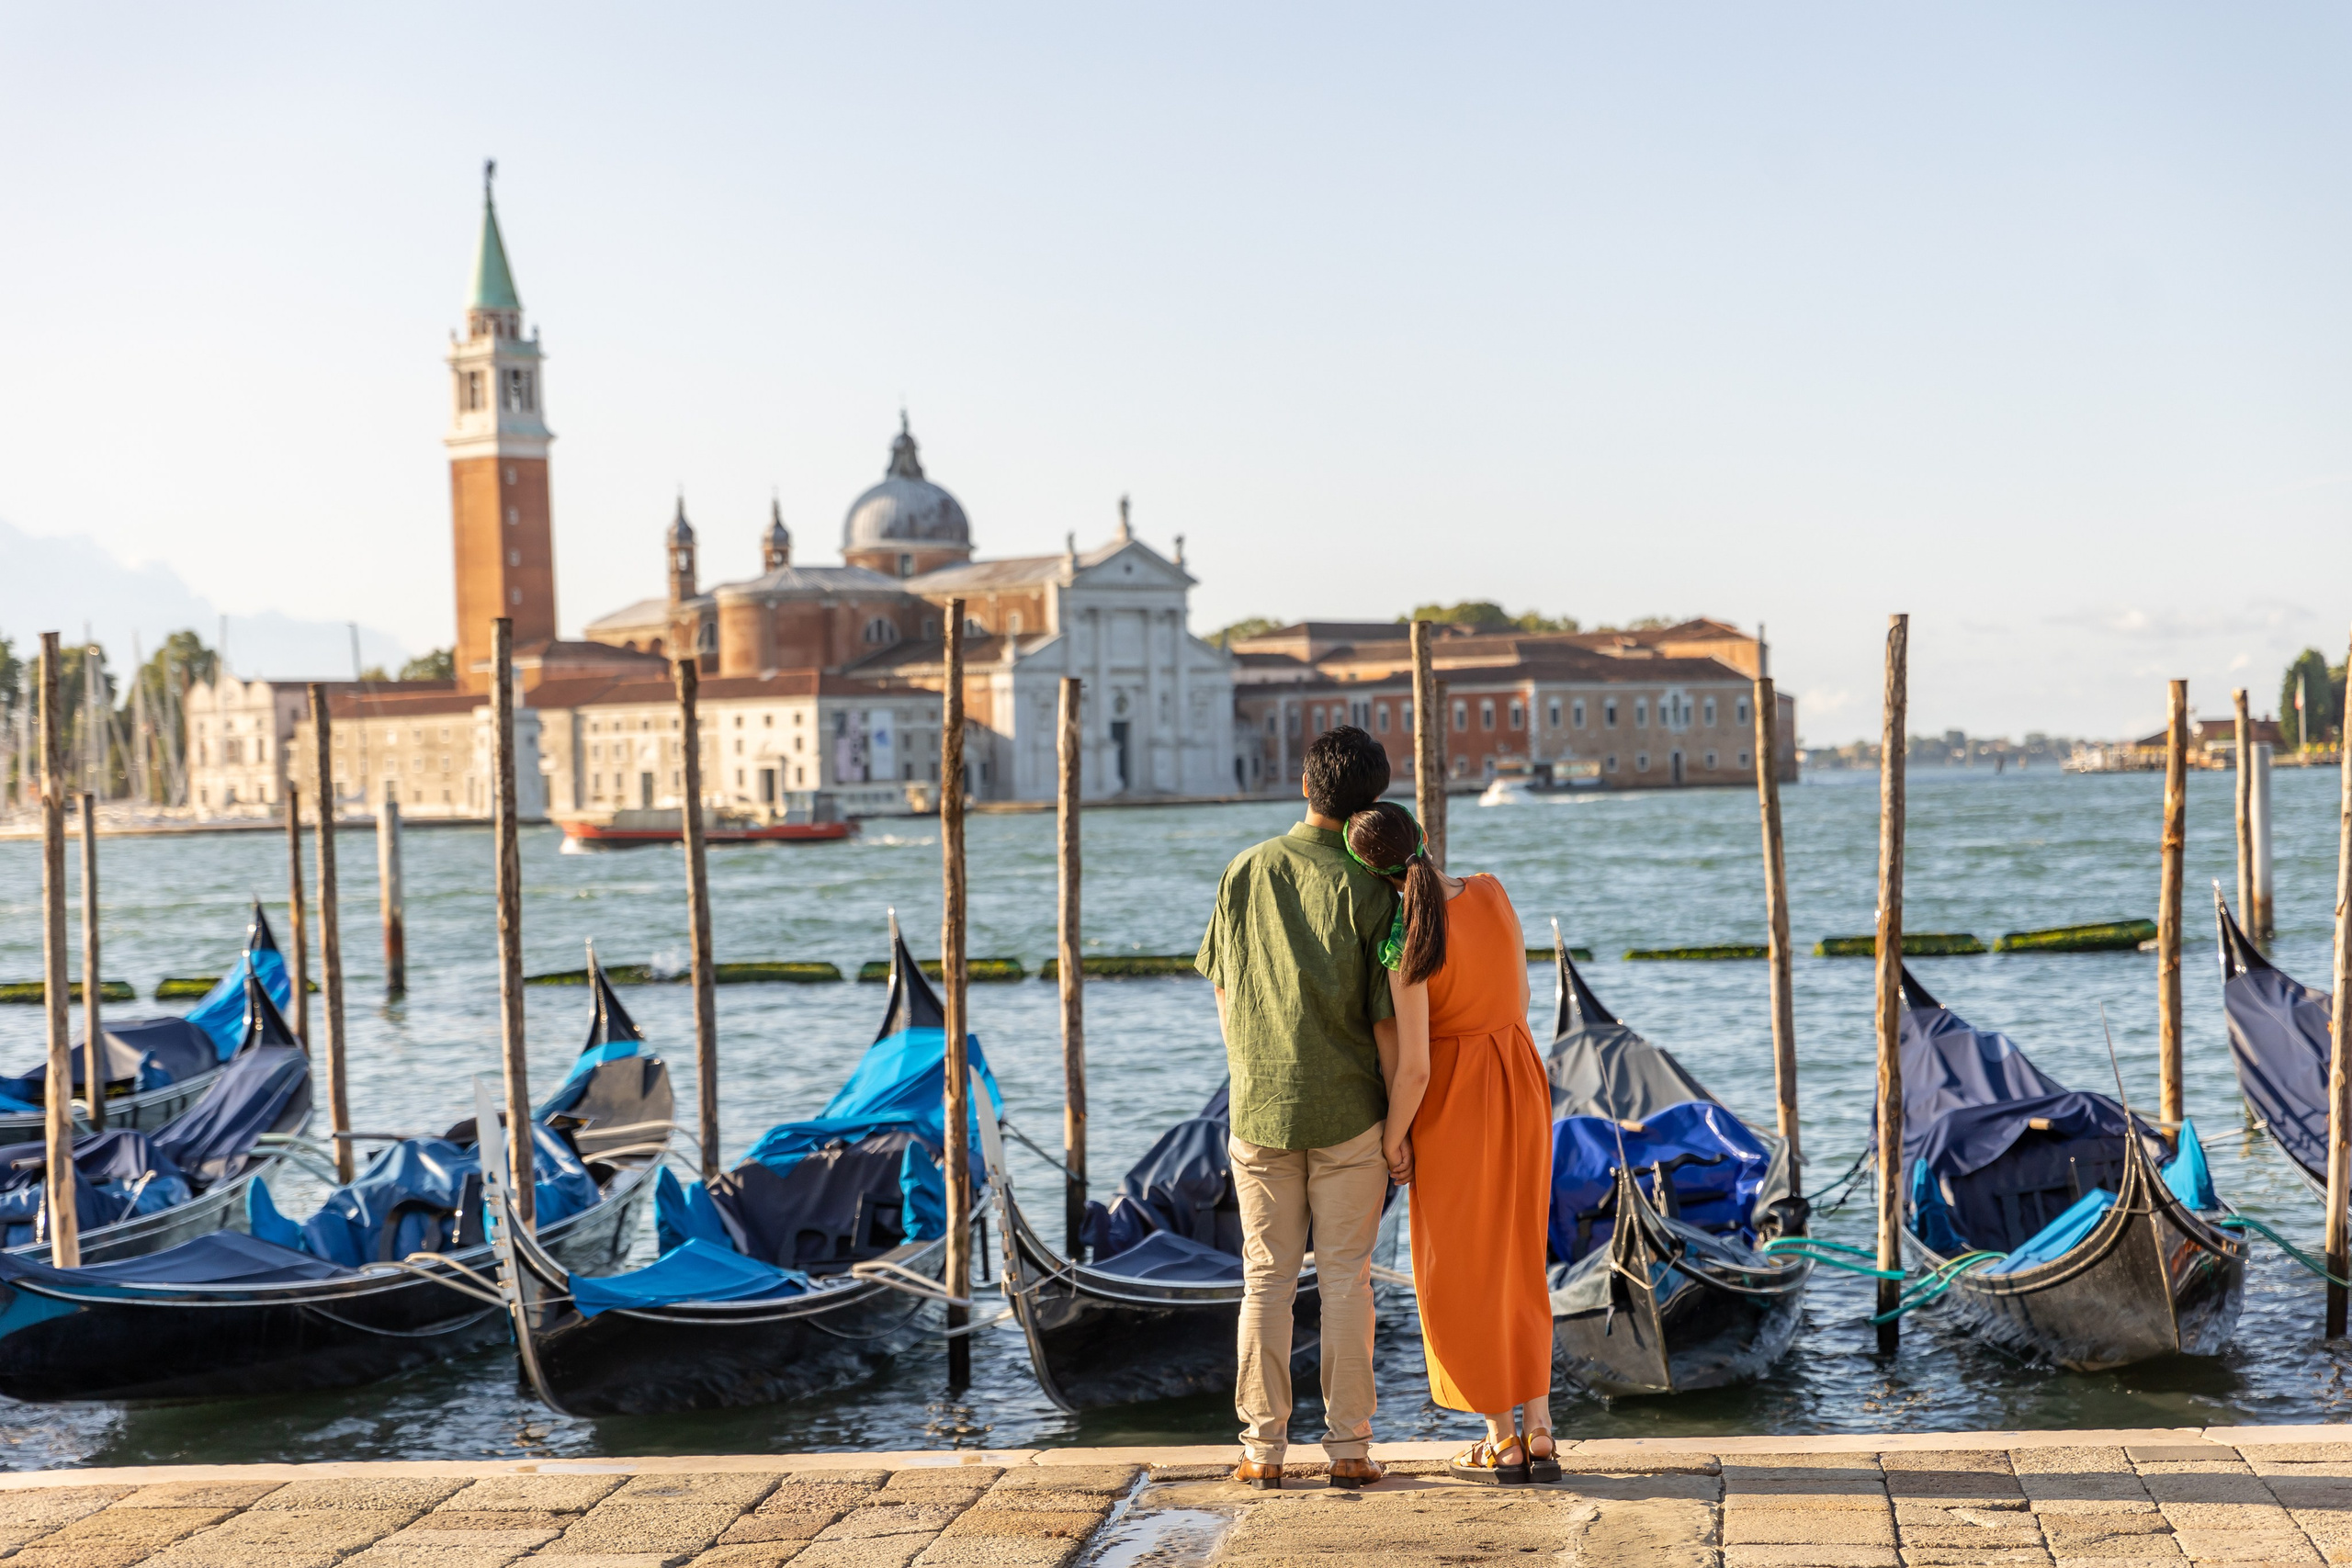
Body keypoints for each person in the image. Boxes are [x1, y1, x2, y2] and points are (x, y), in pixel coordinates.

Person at [1196, 726, 1400, 1491]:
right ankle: (1349, 1448)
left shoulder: (1245, 868)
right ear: (1369, 802)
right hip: (1352, 1110)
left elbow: (1224, 989)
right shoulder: (1374, 886)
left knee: (1266, 1280)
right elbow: (1387, 1026)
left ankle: (1261, 1450)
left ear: (1305, 785)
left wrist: (1249, 1066)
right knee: (1347, 1278)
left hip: (1259, 1106)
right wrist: (1400, 1127)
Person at [1345, 798, 1557, 1484]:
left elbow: (1413, 1068)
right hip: (1522, 1080)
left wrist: (1393, 1140)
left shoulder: (1405, 945)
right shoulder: (1493, 891)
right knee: (1520, 1253)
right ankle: (1542, 1426)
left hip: (1457, 1102)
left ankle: (1501, 1438)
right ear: (1426, 839)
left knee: (1462, 1267)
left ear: (1373, 878)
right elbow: (1519, 992)